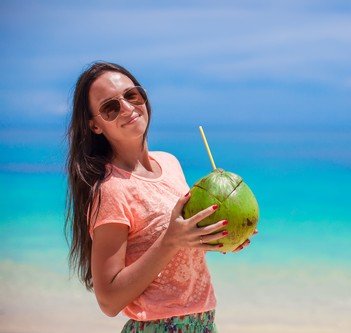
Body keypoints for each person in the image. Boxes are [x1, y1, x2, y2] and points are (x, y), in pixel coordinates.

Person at [65, 61, 253, 332]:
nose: (128, 108)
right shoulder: (111, 190)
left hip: (203, 322)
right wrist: (170, 241)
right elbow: (108, 301)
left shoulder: (170, 163)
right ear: (95, 126)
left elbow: (178, 245)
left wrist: (220, 239)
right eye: (110, 107)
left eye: (132, 95)